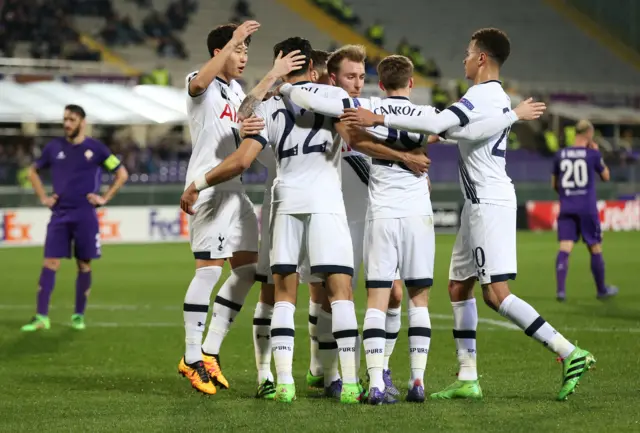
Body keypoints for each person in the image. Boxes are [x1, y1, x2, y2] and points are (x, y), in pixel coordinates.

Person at [341, 27, 594, 402]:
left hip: (489, 202)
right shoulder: (493, 100)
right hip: (474, 204)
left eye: (466, 53)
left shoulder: (483, 96)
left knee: (495, 294)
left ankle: (568, 351)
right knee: (458, 287)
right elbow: (460, 133)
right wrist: (512, 116)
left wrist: (379, 120)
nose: (462, 58)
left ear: (481, 59)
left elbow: (438, 126)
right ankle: (468, 375)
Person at [180, 37, 430, 403]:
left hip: (284, 202)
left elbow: (243, 152)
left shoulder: (266, 104)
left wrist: (274, 83)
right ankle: (347, 383)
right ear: (317, 70)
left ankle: (283, 382)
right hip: (327, 204)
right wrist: (403, 154)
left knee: (282, 295)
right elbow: (357, 140)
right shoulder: (333, 101)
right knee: (338, 293)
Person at [179, 20, 305, 396]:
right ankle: (190, 358)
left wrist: (275, 75)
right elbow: (199, 84)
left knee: (250, 270)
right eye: (238, 49)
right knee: (207, 272)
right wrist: (231, 40)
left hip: (235, 191)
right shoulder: (200, 84)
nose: (243, 56)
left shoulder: (235, 91)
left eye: (247, 50)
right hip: (209, 188)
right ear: (219, 52)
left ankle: (210, 350)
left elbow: (253, 103)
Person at [21, 105, 128, 332]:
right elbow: (33, 171)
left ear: (82, 122)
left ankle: (78, 315)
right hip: (59, 214)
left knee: (83, 264)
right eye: (65, 119)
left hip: (85, 214)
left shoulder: (96, 149)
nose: (67, 124)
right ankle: (41, 317)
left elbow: (121, 173)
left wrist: (104, 198)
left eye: (72, 119)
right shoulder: (54, 148)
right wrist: (44, 198)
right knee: (50, 262)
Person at [552, 120, 618, 301]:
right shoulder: (592, 154)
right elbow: (606, 176)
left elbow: (555, 184)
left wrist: (567, 196)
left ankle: (561, 291)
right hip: (587, 208)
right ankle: (601, 290)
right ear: (589, 133)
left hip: (567, 207)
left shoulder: (561, 154)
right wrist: (597, 153)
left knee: (565, 247)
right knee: (595, 247)